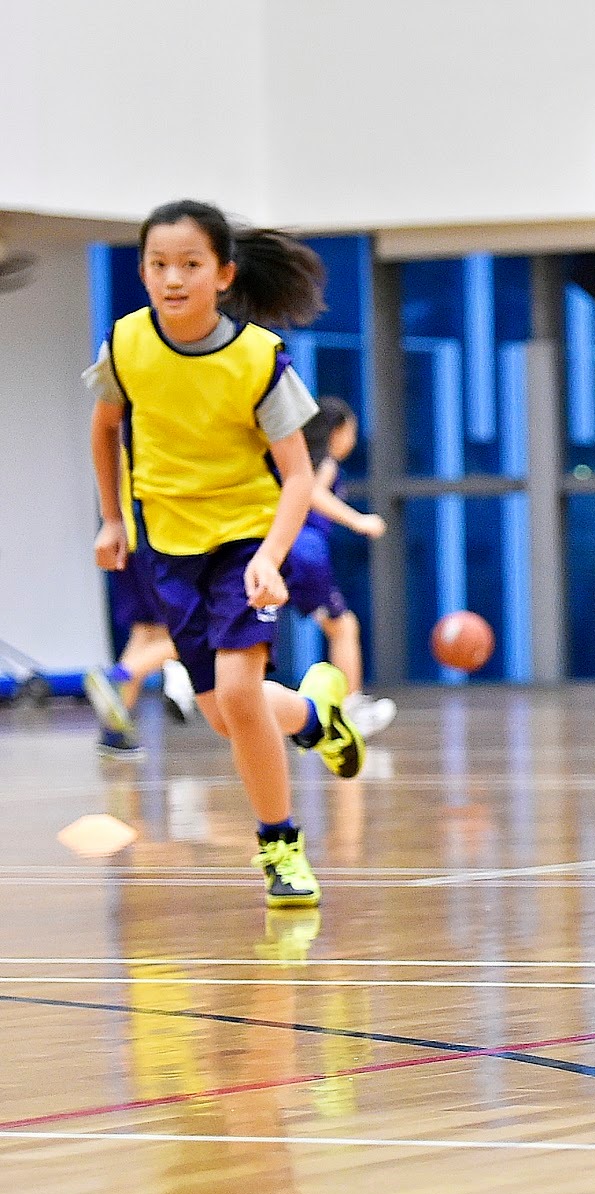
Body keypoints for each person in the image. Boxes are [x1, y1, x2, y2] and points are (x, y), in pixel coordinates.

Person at [85, 199, 365, 908]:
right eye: (158, 264)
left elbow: (298, 476)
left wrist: (271, 555)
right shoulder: (126, 345)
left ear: (224, 274)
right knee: (223, 715)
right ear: (142, 272)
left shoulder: (258, 358)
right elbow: (105, 428)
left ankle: (281, 849)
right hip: (169, 547)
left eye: (190, 264)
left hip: (245, 541)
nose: (173, 278)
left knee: (239, 696)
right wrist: (112, 518)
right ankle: (317, 717)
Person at [289, 396, 396, 738]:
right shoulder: (324, 463)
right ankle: (351, 709)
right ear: (336, 431)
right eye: (351, 431)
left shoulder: (296, 459)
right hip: (304, 552)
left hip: (285, 549)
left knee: (339, 626)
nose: (353, 440)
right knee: (344, 626)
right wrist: (358, 520)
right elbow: (313, 494)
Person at [85, 545, 199, 758]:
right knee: (192, 633)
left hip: (130, 546)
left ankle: (113, 732)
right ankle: (116, 677)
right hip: (159, 547)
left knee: (147, 632)